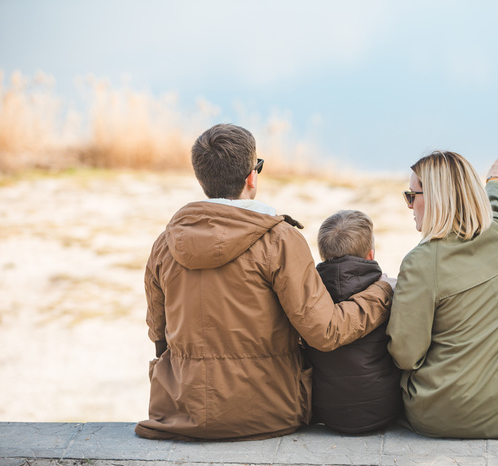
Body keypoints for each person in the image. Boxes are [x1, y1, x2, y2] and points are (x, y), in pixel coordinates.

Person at [135, 124, 394, 441]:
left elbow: (158, 334)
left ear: (202, 179)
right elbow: (326, 332)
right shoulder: (279, 239)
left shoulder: (166, 244)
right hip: (270, 413)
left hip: (180, 410)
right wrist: (383, 291)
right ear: (251, 176)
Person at [386, 151, 498, 439]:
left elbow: (405, 355)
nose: (409, 205)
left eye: (411, 196)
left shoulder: (419, 262)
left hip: (443, 412)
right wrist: (495, 178)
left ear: (435, 198)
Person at [303, 210, 402, 434]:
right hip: (385, 406)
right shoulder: (387, 290)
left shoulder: (310, 296)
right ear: (370, 254)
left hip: (326, 409)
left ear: (322, 255)